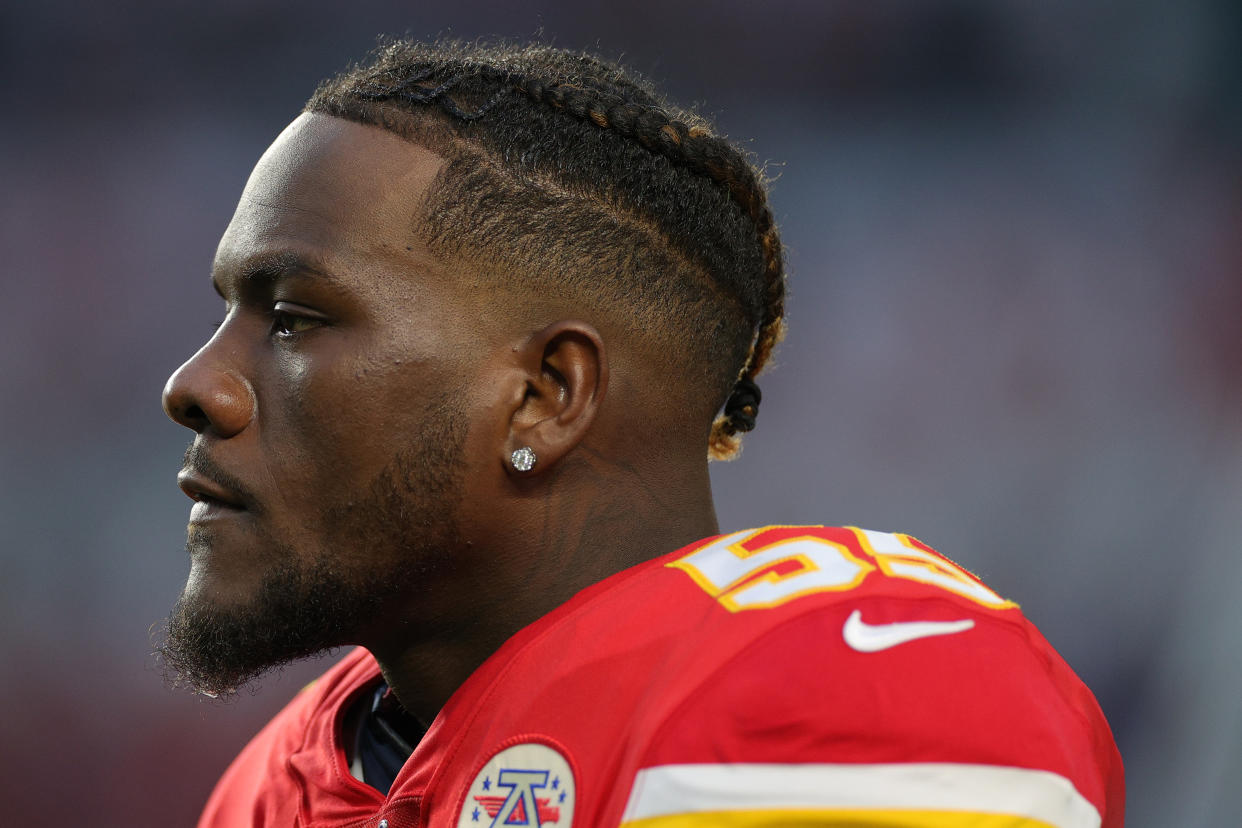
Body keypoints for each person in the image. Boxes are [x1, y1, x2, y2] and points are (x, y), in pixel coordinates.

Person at [158, 39, 1124, 828]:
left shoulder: (835, 689)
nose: (196, 385)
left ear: (546, 394)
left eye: (292, 318)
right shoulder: (273, 790)